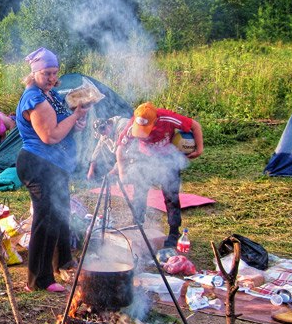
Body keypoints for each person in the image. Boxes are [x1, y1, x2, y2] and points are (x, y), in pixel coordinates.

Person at [15, 47, 90, 293]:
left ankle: (64, 262)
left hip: (55, 165)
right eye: (46, 73)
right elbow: (50, 135)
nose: (51, 78)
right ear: (34, 72)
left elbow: (66, 125)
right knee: (44, 219)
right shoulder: (34, 99)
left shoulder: (52, 94)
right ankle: (39, 280)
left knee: (60, 213)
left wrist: (77, 120)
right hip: (37, 164)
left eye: (55, 72)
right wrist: (75, 115)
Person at [115, 102, 204, 247]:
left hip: (167, 159)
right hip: (144, 158)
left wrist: (199, 149)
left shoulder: (168, 118)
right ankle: (137, 225)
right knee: (139, 192)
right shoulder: (133, 123)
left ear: (155, 120)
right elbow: (120, 147)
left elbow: (195, 126)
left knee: (171, 196)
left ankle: (174, 232)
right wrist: (121, 172)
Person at [86, 116, 130, 182]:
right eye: (101, 132)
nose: (103, 133)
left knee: (127, 179)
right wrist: (91, 170)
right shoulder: (105, 131)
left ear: (108, 123)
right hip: (123, 157)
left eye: (103, 129)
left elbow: (125, 156)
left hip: (136, 155)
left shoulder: (122, 127)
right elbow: (98, 149)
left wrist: (112, 172)